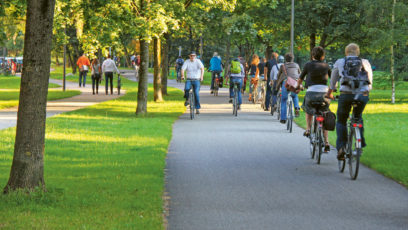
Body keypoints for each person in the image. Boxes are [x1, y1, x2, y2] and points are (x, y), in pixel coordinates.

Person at [326, 43, 373, 160]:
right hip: (361, 96)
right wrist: (366, 92)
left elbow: (333, 81)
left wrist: (329, 93)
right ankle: (359, 144)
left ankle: (341, 147)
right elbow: (370, 82)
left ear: (346, 52)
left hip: (346, 95)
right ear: (358, 52)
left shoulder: (340, 62)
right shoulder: (365, 62)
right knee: (358, 117)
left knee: (341, 120)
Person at [296, 46, 331, 152]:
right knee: (324, 114)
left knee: (308, 109)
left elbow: (300, 79)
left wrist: (298, 87)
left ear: (312, 55)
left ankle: (308, 129)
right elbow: (334, 80)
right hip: (324, 94)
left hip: (311, 92)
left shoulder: (308, 65)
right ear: (323, 56)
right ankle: (326, 142)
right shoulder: (326, 66)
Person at [275, 53, 301, 123]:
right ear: (292, 59)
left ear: (285, 59)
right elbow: (299, 74)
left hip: (286, 83)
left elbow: (278, 75)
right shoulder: (296, 65)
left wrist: (277, 84)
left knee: (283, 99)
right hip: (294, 83)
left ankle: (283, 118)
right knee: (294, 96)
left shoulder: (283, 66)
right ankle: (297, 107)